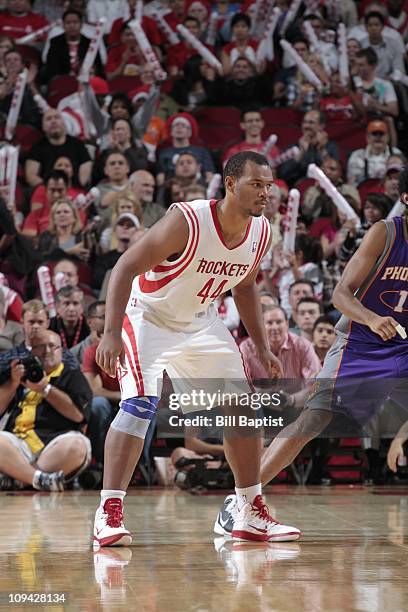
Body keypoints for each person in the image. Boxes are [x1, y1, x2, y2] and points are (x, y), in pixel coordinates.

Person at [93, 151, 300, 547]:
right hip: (148, 317)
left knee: (242, 406)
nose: (264, 193)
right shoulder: (187, 220)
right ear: (230, 184)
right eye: (256, 184)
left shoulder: (261, 232)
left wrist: (262, 347)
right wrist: (109, 332)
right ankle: (109, 511)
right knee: (139, 404)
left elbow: (244, 288)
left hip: (200, 322)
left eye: (269, 186)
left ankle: (247, 509)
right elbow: (122, 268)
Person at [0, 329, 92, 491]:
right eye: (41, 347)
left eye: (52, 346)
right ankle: (39, 480)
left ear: (61, 351)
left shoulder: (72, 375)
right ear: (32, 351)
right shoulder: (20, 373)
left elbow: (78, 415)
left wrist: (45, 389)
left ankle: (22, 478)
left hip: (54, 446)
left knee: (78, 446)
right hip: (19, 445)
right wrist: (13, 383)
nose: (47, 351)